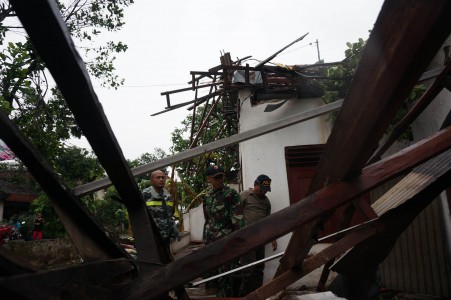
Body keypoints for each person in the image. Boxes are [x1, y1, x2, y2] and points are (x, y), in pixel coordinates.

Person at [202, 164, 246, 297]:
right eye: (216, 177)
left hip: (226, 242)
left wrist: (241, 242)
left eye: (221, 176)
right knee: (212, 275)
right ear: (209, 179)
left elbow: (238, 219)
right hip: (211, 242)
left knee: (227, 276)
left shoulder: (230, 194)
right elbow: (208, 218)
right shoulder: (207, 196)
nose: (219, 179)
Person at [239, 174, 277, 296]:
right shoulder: (244, 196)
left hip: (261, 239)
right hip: (247, 239)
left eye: (266, 190)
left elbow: (268, 221)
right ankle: (245, 295)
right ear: (255, 185)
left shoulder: (266, 202)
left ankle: (258, 294)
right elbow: (235, 215)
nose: (264, 192)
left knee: (259, 267)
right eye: (262, 189)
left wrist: (272, 238)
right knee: (248, 269)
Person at [142, 170, 179, 247]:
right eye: (158, 177)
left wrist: (174, 231)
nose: (161, 179)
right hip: (151, 236)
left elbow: (170, 215)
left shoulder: (168, 196)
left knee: (166, 257)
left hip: (166, 236)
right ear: (151, 180)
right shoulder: (145, 194)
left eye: (163, 177)